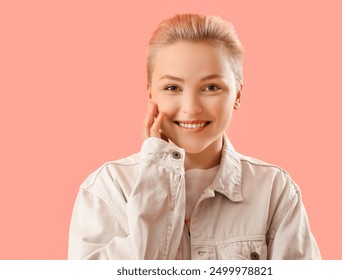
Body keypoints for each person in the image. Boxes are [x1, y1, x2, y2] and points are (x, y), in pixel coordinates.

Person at [68, 13, 321, 260]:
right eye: (172, 88)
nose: (191, 107)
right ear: (150, 94)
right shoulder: (108, 189)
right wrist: (157, 172)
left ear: (238, 95)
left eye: (211, 87)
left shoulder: (274, 191)